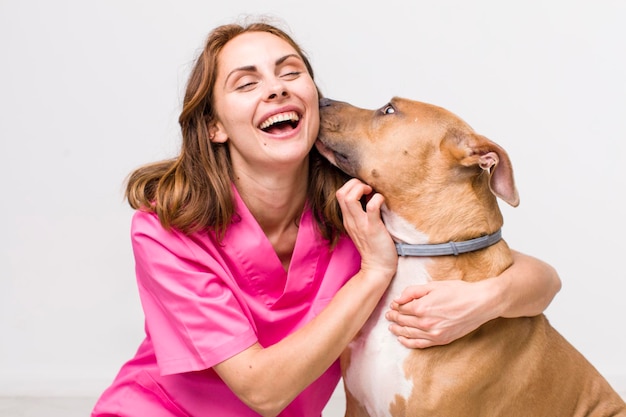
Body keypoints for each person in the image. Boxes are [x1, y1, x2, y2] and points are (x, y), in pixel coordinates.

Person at [91, 18, 561, 417]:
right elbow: (264, 391)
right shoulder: (166, 230)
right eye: (247, 82)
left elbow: (539, 279)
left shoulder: (356, 208)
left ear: (312, 100)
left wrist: (483, 300)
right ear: (214, 126)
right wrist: (375, 272)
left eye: (289, 72)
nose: (275, 87)